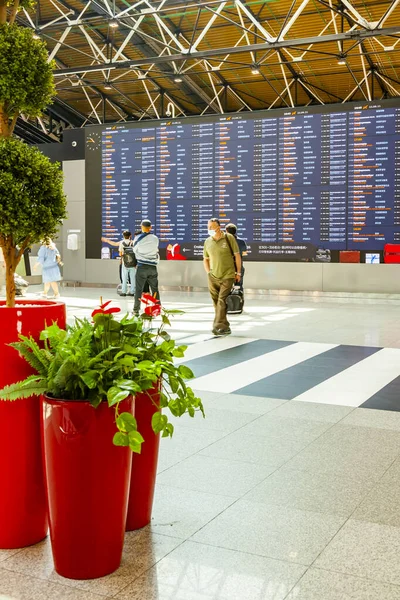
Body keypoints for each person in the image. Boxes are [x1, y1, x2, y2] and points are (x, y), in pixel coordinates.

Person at [203, 218, 241, 336]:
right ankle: (225, 326)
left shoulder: (229, 238)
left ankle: (217, 326)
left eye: (211, 227)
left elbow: (237, 255)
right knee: (216, 302)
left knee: (221, 300)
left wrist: (238, 272)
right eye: (208, 227)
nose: (209, 229)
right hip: (213, 276)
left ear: (218, 227)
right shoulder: (207, 241)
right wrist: (209, 273)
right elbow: (206, 259)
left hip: (228, 275)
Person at [132, 219, 160, 316]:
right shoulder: (155, 238)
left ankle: (136, 310)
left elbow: (134, 250)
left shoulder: (137, 238)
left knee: (138, 290)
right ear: (150, 227)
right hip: (152, 267)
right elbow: (156, 249)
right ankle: (157, 308)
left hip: (141, 267)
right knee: (155, 289)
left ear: (141, 227)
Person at [225, 223, 247, 290]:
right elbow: (244, 254)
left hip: (226, 268)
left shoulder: (224, 241)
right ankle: (239, 298)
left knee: (226, 287)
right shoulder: (242, 242)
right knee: (238, 287)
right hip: (239, 268)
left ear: (226, 231)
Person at [118, 230, 136, 297]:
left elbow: (120, 253)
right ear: (130, 236)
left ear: (123, 236)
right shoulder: (133, 242)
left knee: (124, 278)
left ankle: (124, 292)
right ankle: (132, 292)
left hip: (125, 263)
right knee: (133, 277)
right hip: (133, 263)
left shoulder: (121, 243)